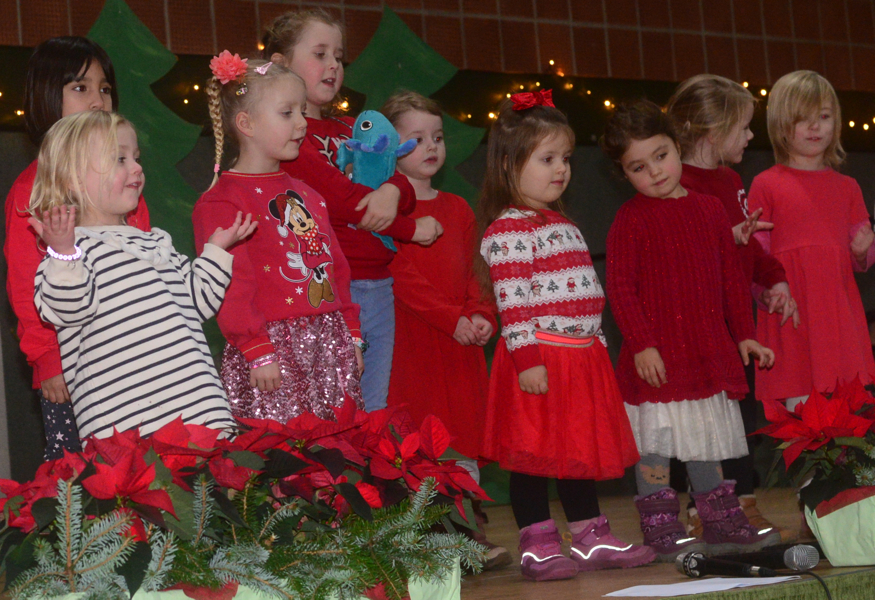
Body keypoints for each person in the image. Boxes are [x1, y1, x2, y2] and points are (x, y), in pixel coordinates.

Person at [478, 91, 654, 581]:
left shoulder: (563, 224)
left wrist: (597, 347)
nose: (561, 169)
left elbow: (587, 297)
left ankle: (590, 536)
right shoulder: (508, 230)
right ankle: (537, 543)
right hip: (538, 360)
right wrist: (528, 360)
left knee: (576, 453)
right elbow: (513, 302)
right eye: (547, 158)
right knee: (532, 457)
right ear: (509, 164)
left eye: (566, 158)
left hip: (580, 360)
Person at [602, 99, 778, 559]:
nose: (655, 172)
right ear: (624, 174)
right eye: (639, 167)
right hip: (657, 359)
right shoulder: (630, 219)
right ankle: (660, 526)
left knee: (705, 438)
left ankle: (719, 520)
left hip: (705, 352)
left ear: (677, 147)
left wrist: (745, 334)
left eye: (661, 156)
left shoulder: (710, 210)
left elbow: (731, 281)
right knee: (656, 443)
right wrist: (642, 344)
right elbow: (620, 289)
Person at [262, 9, 443, 411]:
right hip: (329, 291)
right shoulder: (290, 139)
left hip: (379, 286)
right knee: (336, 410)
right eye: (320, 54)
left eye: (339, 57)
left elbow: (402, 181)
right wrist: (407, 227)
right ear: (281, 63)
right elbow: (342, 202)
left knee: (374, 407)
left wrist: (392, 190)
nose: (333, 65)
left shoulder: (353, 128)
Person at [30, 111, 243, 440]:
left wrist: (216, 251)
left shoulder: (156, 242)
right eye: (120, 159)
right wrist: (62, 252)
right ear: (72, 178)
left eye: (136, 157)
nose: (136, 168)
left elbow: (198, 303)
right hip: (129, 430)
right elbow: (68, 307)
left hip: (201, 416)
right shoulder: (71, 255)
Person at [193, 53, 363, 423]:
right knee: (281, 450)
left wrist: (351, 334)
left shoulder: (308, 194)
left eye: (302, 111)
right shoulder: (223, 201)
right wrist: (256, 347)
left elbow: (336, 266)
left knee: (338, 446)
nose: (302, 123)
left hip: (329, 344)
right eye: (287, 113)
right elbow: (232, 284)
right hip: (271, 353)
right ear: (246, 123)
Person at [3, 36, 151, 459]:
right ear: (46, 98)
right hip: (74, 367)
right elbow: (24, 287)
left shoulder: (123, 183)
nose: (98, 100)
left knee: (150, 469)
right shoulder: (31, 190)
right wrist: (48, 359)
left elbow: (145, 261)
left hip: (133, 352)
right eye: (80, 87)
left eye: (105, 88)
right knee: (86, 475)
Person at [381, 91, 511, 570]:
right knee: (421, 438)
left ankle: (469, 532)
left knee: (462, 435)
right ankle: (437, 540)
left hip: (460, 347)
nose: (431, 147)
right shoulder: (385, 209)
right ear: (389, 148)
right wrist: (449, 318)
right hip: (414, 345)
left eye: (436, 137)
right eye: (416, 139)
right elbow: (398, 276)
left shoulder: (457, 208)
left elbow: (478, 272)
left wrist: (481, 315)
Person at [667, 74, 794, 543]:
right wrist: (724, 239)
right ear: (711, 130)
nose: (749, 136)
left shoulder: (731, 180)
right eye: (742, 127)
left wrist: (774, 277)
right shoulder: (675, 182)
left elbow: (748, 245)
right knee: (701, 421)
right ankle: (701, 506)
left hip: (736, 324)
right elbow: (676, 258)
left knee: (739, 419)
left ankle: (743, 501)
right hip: (696, 325)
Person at [748, 70, 875, 410]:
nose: (815, 126)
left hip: (836, 316)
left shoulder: (848, 187)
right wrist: (765, 291)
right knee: (800, 412)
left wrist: (862, 252)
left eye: (824, 117)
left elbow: (861, 257)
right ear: (780, 125)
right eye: (802, 119)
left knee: (847, 412)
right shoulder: (765, 184)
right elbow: (756, 253)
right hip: (792, 314)